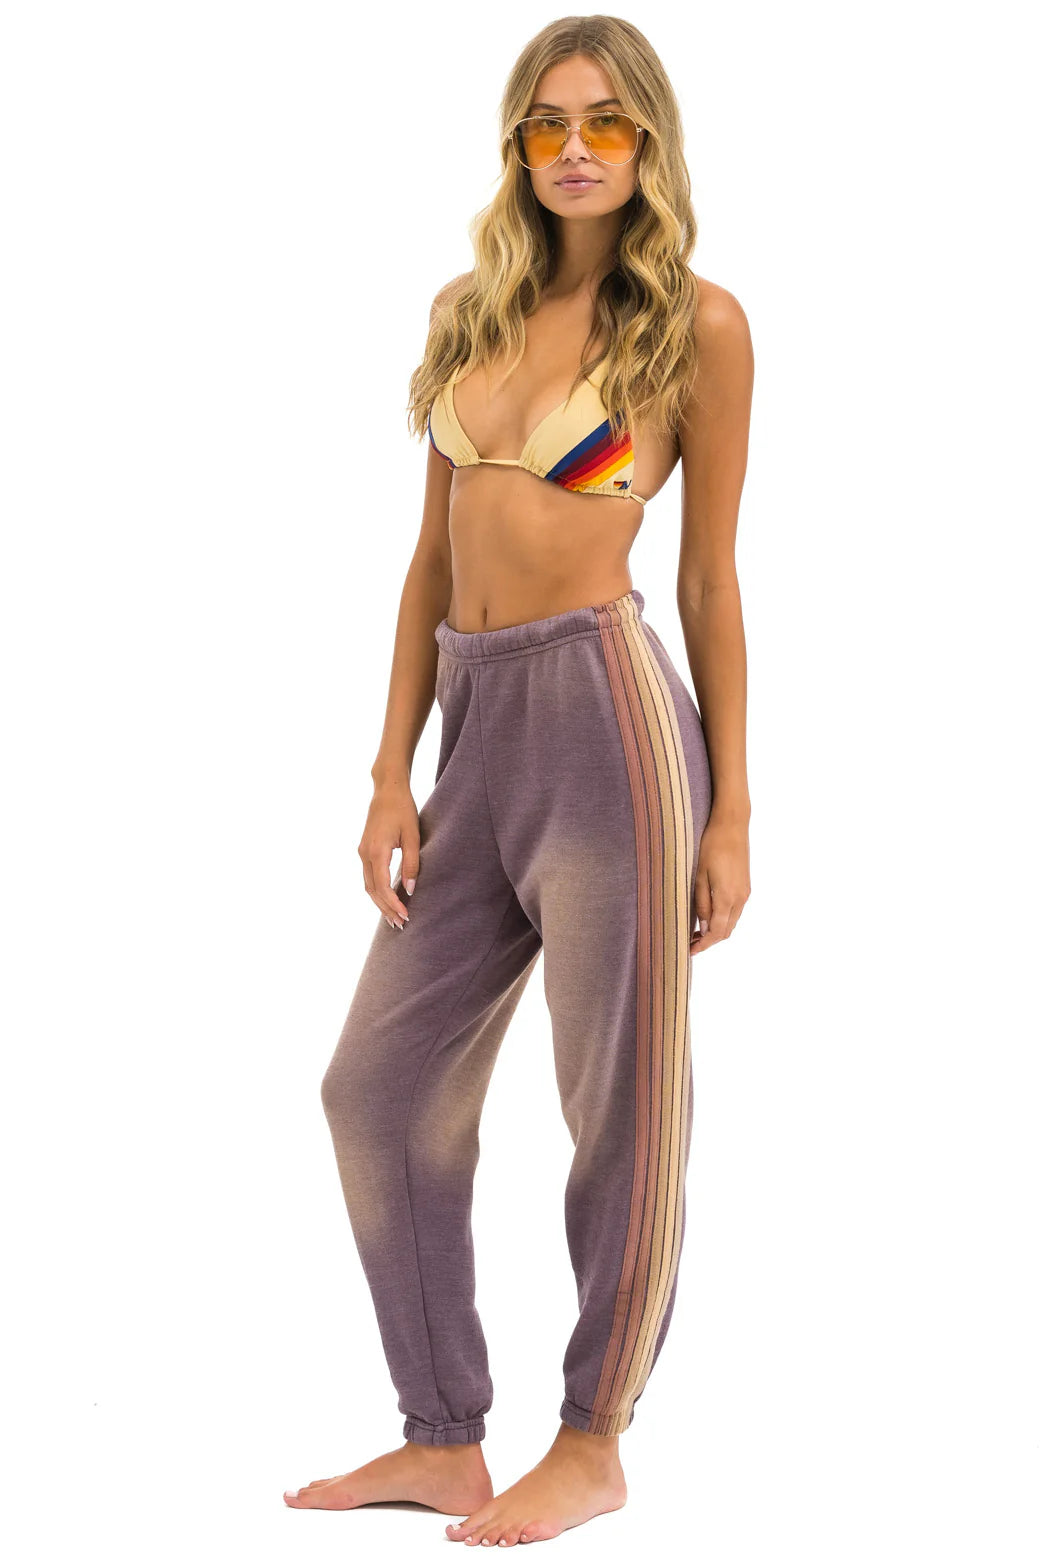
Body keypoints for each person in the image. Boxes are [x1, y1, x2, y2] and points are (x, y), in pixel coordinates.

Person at [284, 15, 753, 1547]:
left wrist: (734, 808)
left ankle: (593, 1438)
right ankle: (443, 1435)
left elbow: (711, 581)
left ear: (648, 142)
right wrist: (390, 771)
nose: (573, 149)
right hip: (474, 730)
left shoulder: (697, 325)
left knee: (620, 1103)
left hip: (609, 721)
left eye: (604, 122)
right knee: (376, 1086)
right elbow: (428, 563)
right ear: (517, 146)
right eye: (546, 124)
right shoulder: (466, 309)